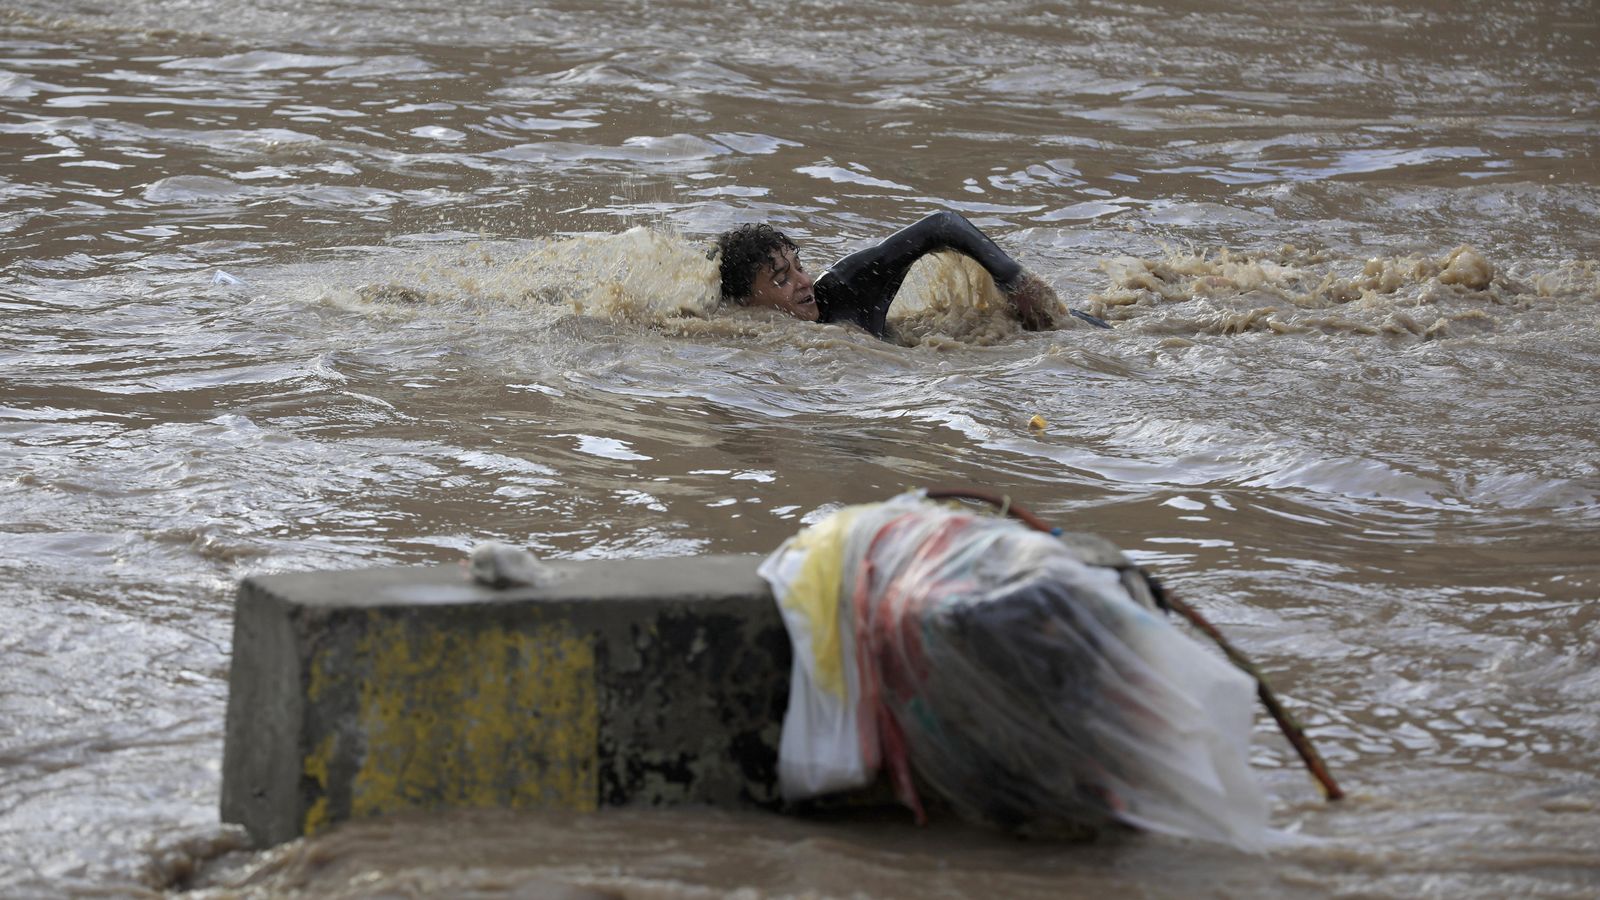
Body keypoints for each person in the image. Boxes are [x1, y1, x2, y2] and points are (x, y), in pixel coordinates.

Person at [713, 210, 1107, 337]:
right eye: (782, 280)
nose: (803, 283)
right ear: (746, 303)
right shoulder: (745, 340)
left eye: (799, 268)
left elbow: (942, 224)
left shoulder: (846, 288)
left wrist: (1018, 283)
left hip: (1046, 334)